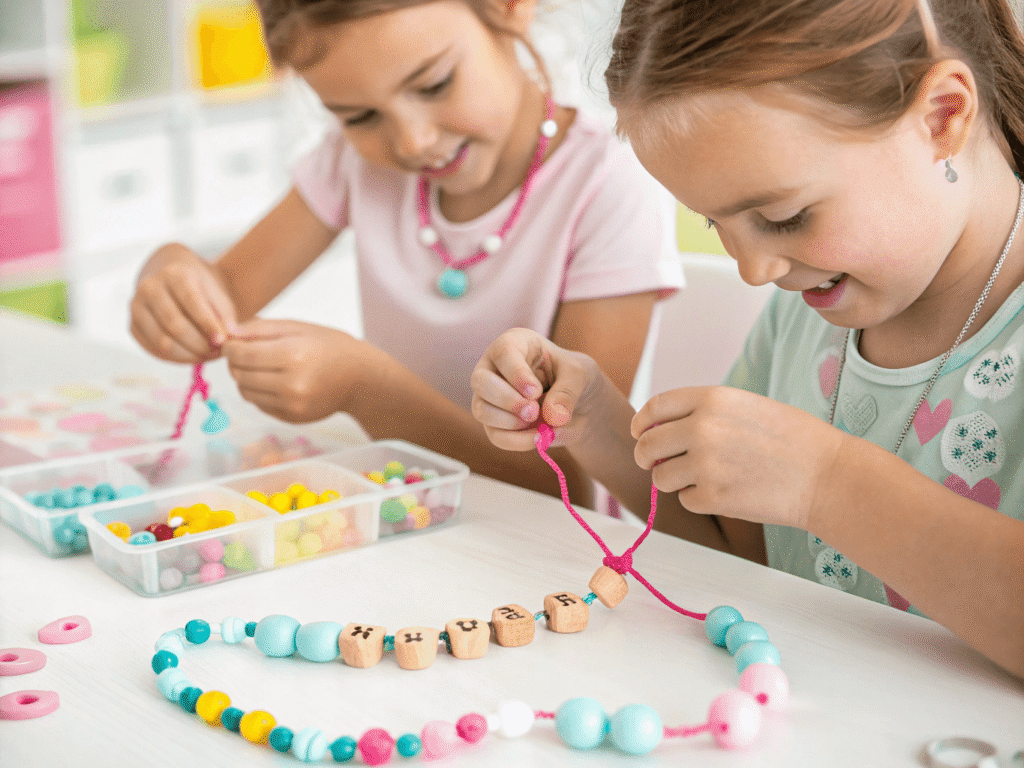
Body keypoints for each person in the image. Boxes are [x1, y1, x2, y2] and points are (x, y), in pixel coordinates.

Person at [470, 0, 1024, 678]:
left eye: (783, 216)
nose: (756, 270)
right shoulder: (814, 305)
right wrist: (592, 421)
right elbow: (744, 552)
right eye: (715, 226)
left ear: (941, 115)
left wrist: (829, 483)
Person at [128, 0, 682, 506]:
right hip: (406, 516)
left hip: (546, 550)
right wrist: (173, 273)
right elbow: (223, 294)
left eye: (434, 83)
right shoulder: (353, 164)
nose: (412, 142)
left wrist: (363, 387)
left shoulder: (609, 186)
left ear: (510, 8)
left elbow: (567, 483)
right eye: (359, 117)